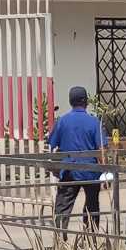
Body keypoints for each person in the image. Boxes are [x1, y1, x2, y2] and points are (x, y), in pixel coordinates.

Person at [47, 86, 106, 229]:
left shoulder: (62, 121)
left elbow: (52, 145)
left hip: (69, 170)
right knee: (92, 205)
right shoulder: (94, 122)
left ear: (70, 101)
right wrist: (105, 171)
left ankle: (60, 236)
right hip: (91, 171)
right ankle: (91, 237)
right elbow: (101, 150)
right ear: (86, 101)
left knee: (63, 206)